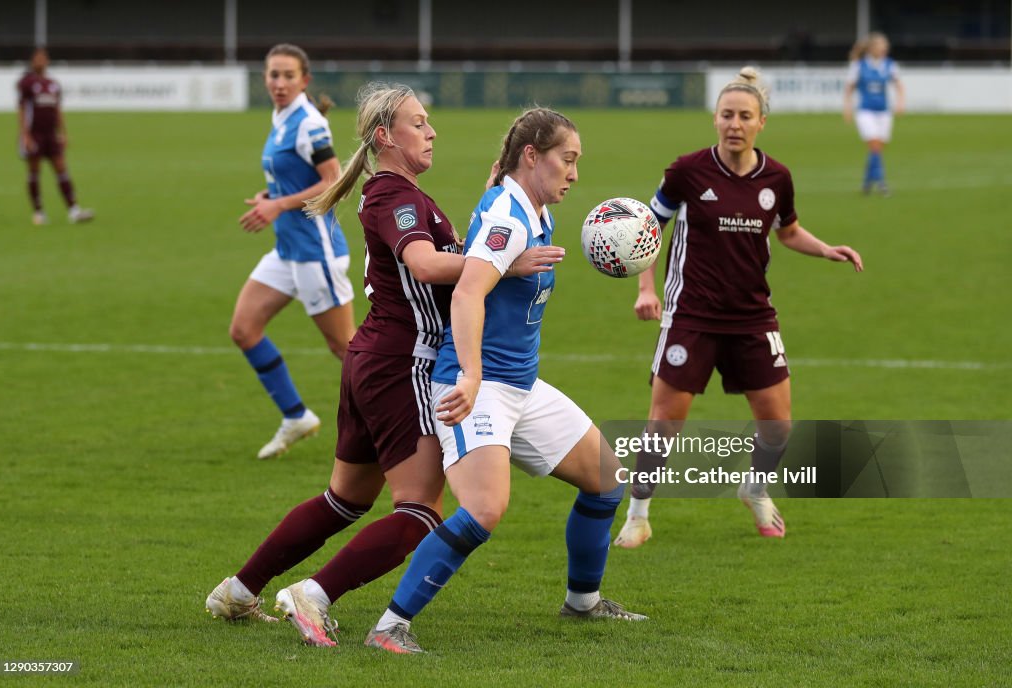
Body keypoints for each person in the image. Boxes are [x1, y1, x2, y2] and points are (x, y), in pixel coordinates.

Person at [206, 83, 558, 644]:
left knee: (344, 500)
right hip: (402, 364)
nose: (432, 131)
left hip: (371, 358)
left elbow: (446, 256)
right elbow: (423, 264)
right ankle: (312, 596)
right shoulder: (395, 196)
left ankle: (238, 591)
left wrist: (490, 212)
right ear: (384, 136)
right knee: (421, 511)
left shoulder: (401, 192)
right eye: (418, 123)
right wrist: (505, 263)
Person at [365, 107, 647, 656]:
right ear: (531, 157)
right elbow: (469, 292)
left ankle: (583, 602)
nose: (574, 173)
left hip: (521, 384)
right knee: (485, 508)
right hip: (480, 385)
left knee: (607, 478)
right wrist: (470, 376)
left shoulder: (525, 204)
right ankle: (390, 626)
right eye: (567, 160)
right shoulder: (510, 217)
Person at [613, 67, 864, 549]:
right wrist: (646, 289)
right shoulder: (687, 171)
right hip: (691, 314)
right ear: (715, 119)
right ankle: (638, 514)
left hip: (752, 316)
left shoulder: (777, 178)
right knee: (664, 422)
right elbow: (644, 227)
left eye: (745, 116)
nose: (735, 123)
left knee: (778, 425)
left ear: (761, 122)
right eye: (727, 114)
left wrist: (826, 248)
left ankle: (755, 486)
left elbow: (787, 230)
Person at [229, 43, 356, 460]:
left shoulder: (309, 124)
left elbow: (334, 180)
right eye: (273, 75)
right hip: (288, 252)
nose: (279, 83)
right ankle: (296, 416)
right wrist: (274, 193)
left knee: (349, 351)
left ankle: (404, 420)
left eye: (287, 75)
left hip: (315, 254)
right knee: (244, 329)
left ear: (304, 80)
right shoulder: (282, 117)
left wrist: (277, 204)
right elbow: (298, 176)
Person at [17, 47, 93, 225]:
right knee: (34, 171)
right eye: (37, 58)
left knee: (61, 168)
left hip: (51, 135)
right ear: (32, 61)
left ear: (48, 61)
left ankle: (74, 211)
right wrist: (25, 135)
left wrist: (63, 133)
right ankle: (38, 212)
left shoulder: (53, 84)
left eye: (43, 58)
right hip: (34, 134)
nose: (40, 61)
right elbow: (21, 110)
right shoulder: (27, 83)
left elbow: (58, 110)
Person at [843, 32, 904, 196]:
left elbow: (899, 85)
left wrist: (900, 103)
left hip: (884, 112)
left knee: (877, 150)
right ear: (872, 48)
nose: (884, 48)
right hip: (865, 112)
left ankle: (867, 183)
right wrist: (847, 108)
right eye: (881, 45)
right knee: (875, 145)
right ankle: (882, 184)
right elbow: (849, 89)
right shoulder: (859, 66)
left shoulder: (890, 65)